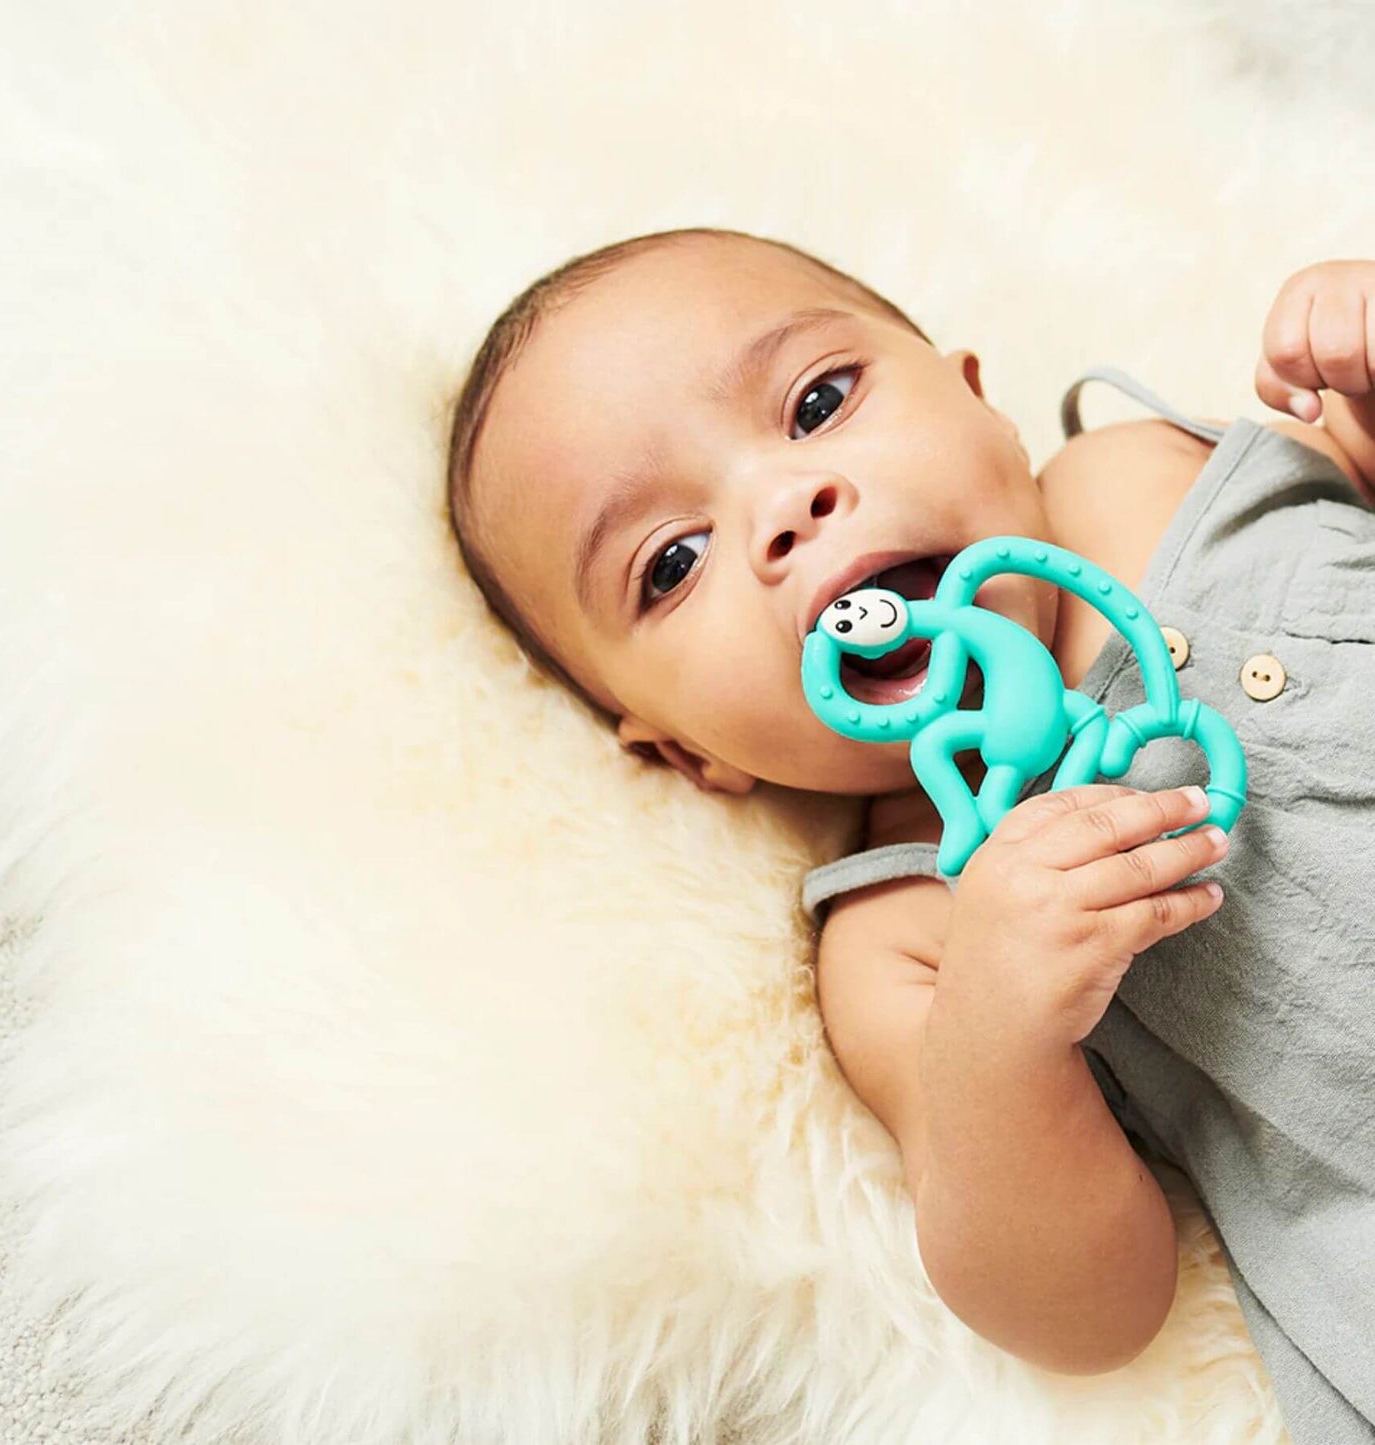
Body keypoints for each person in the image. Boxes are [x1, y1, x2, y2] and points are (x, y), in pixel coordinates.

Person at [443, 226, 1375, 1443]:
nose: (783, 506)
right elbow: (1088, 1312)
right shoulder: (906, 923)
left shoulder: (1141, 464)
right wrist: (1002, 1031)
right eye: (670, 563)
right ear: (686, 751)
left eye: (816, 401)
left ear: (979, 401)